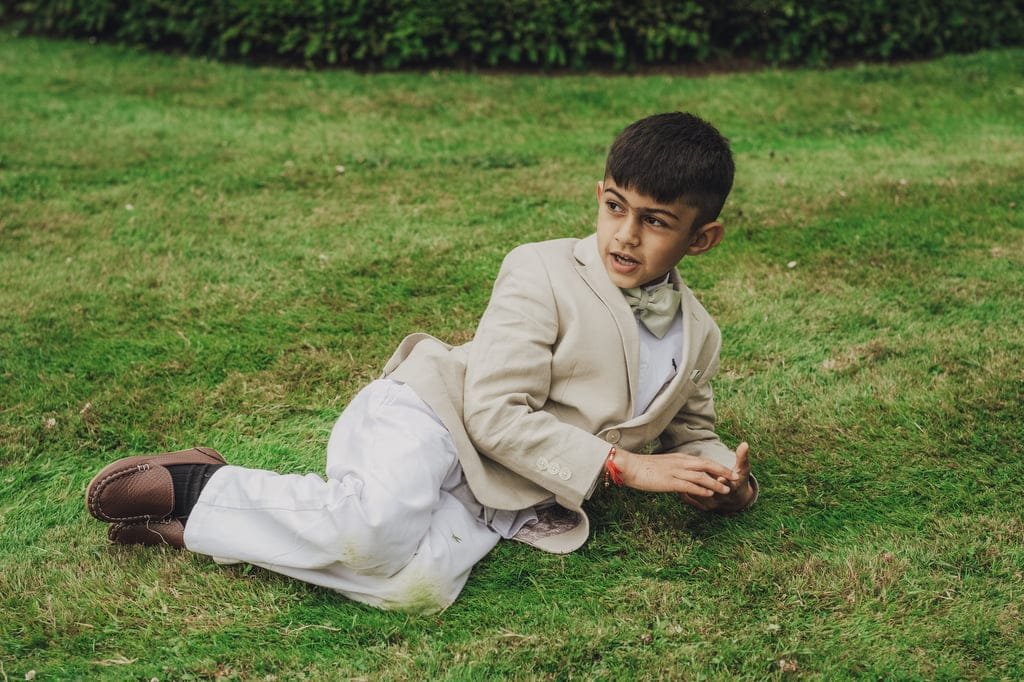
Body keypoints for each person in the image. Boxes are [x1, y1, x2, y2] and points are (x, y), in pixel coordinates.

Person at [85, 112, 757, 613]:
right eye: (614, 207)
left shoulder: (700, 335)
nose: (625, 234)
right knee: (371, 531)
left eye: (656, 221)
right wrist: (620, 465)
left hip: (503, 492)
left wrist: (725, 480)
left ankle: (200, 532)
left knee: (419, 591)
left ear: (703, 239)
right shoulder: (541, 270)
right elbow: (494, 414)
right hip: (437, 415)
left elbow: (690, 432)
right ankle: (200, 486)